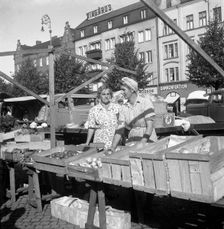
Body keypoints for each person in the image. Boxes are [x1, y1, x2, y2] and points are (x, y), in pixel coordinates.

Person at [108, 76, 157, 153]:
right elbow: (120, 129)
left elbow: (150, 126)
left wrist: (142, 142)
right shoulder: (123, 108)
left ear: (132, 89)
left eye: (124, 90)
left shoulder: (145, 102)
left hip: (147, 140)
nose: (122, 92)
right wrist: (112, 147)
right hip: (132, 139)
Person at [85, 85, 120, 149]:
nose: (106, 96)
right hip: (99, 143)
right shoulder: (94, 110)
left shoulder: (117, 108)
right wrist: (87, 143)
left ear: (111, 95)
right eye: (103, 94)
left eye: (108, 94)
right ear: (99, 96)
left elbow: (122, 125)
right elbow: (91, 127)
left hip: (114, 143)